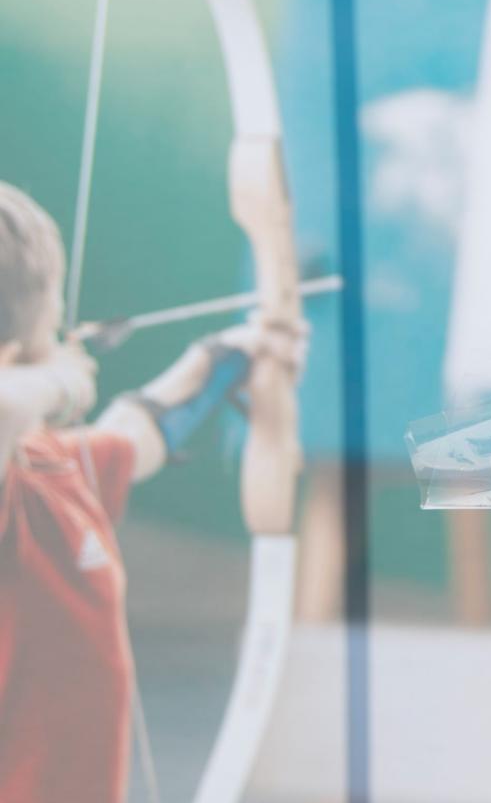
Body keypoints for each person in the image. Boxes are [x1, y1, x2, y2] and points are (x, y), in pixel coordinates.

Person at [0, 181, 301, 803]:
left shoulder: (47, 465)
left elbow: (136, 437)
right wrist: (59, 382)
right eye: (51, 323)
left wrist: (222, 364)